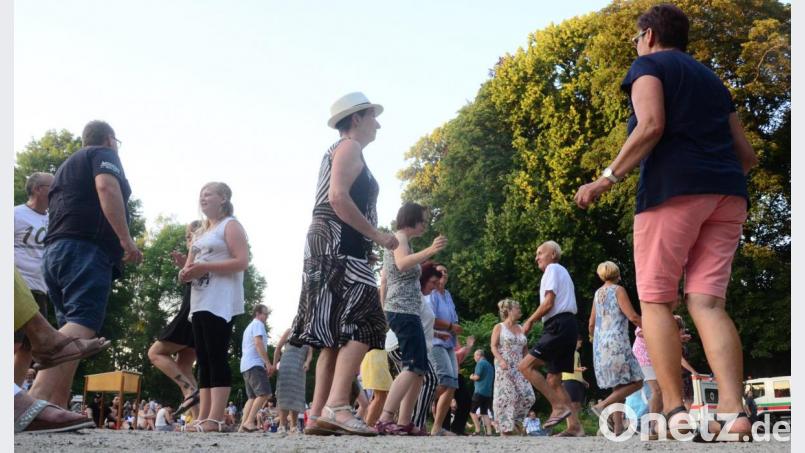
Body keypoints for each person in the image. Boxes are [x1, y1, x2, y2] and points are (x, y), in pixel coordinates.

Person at [574, 4, 758, 441]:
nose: (636, 46)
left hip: (671, 192)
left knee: (657, 302)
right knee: (708, 303)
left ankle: (674, 410)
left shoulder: (649, 65)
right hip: (728, 193)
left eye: (637, 38)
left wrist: (605, 179)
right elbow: (746, 156)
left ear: (650, 35)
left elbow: (651, 125)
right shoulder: (712, 81)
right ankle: (734, 413)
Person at [291, 92, 398, 437]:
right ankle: (338, 406)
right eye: (373, 116)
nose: (378, 123)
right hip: (340, 241)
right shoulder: (350, 147)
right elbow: (338, 197)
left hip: (327, 241)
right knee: (368, 321)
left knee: (333, 334)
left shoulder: (336, 150)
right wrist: (378, 237)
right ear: (356, 120)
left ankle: (319, 414)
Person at [30, 120, 142, 408]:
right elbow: (106, 187)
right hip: (86, 249)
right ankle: (31, 402)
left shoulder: (66, 168)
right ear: (109, 139)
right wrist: (126, 241)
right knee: (83, 323)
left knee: (71, 327)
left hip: (56, 252)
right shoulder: (103, 154)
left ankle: (54, 408)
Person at [180, 182, 249, 433]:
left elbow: (242, 261)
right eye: (201, 194)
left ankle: (216, 417)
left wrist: (205, 267)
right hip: (199, 301)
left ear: (223, 198)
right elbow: (190, 267)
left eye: (208, 194)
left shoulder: (230, 225)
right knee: (204, 359)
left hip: (220, 300)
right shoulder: (200, 233)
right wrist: (185, 272)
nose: (203, 198)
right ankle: (204, 416)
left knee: (217, 355)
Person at [375, 203, 447, 435]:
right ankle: (386, 418)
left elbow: (387, 277)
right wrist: (430, 251)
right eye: (423, 220)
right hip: (402, 309)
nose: (425, 224)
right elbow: (403, 263)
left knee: (420, 368)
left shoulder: (403, 241)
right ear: (412, 219)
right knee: (412, 365)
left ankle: (405, 421)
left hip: (405, 309)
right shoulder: (399, 238)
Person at [518, 241, 580, 431]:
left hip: (558, 325)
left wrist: (529, 321)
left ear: (553, 254)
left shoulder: (552, 268)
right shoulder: (561, 272)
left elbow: (548, 303)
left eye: (540, 253)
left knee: (525, 366)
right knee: (554, 380)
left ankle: (558, 406)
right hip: (568, 325)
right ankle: (575, 427)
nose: (536, 257)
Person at [149, 221, 202, 420]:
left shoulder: (200, 254)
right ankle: (197, 419)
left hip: (190, 314)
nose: (188, 241)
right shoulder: (203, 257)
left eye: (190, 237)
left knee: (155, 353)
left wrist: (186, 267)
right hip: (198, 315)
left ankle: (188, 390)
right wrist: (184, 268)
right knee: (184, 367)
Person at [588, 261, 643, 435]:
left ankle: (618, 428)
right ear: (617, 274)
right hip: (617, 343)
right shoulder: (618, 290)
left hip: (600, 345)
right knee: (637, 381)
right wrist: (649, 328)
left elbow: (591, 323)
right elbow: (633, 316)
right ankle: (602, 405)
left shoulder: (598, 294)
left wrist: (593, 338)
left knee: (617, 387)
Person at [14, 171, 55, 385]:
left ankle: (13, 398)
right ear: (38, 189)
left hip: (41, 288)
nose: (57, 190)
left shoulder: (53, 219)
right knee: (13, 344)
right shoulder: (15, 214)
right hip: (19, 287)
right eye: (52, 186)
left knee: (28, 349)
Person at [491, 299, 536, 436]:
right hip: (504, 365)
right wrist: (501, 360)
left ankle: (516, 421)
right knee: (506, 397)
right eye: (517, 308)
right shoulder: (499, 327)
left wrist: (530, 364)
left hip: (520, 366)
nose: (520, 310)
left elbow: (525, 350)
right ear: (509, 311)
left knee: (528, 395)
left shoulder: (521, 328)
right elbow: (493, 346)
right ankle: (505, 429)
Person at [428, 263, 464, 436]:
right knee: (444, 380)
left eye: (446, 271)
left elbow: (453, 318)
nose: (444, 274)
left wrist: (455, 330)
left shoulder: (447, 294)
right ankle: (417, 404)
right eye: (440, 271)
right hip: (435, 341)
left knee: (452, 384)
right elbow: (431, 319)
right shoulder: (432, 294)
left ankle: (437, 428)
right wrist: (451, 326)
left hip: (449, 343)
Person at [238, 304, 274, 432]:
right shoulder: (258, 324)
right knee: (265, 393)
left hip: (245, 365)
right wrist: (268, 363)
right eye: (265, 313)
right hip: (254, 364)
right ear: (258, 314)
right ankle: (249, 422)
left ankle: (242, 426)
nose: (267, 316)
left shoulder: (249, 327)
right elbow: (258, 343)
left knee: (252, 397)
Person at [274, 327, 313, 433]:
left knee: (296, 395)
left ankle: (294, 426)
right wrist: (274, 365)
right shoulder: (289, 331)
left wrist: (307, 362)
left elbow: (310, 353)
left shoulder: (309, 334)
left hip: (299, 368)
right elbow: (278, 348)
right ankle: (282, 425)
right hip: (286, 367)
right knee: (284, 395)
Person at [560, 335, 589, 437]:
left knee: (577, 405)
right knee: (571, 405)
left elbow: (575, 368)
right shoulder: (568, 351)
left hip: (576, 380)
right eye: (579, 342)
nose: (580, 344)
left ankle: (575, 426)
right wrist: (579, 369)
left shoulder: (576, 353)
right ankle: (571, 427)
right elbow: (567, 366)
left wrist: (583, 380)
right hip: (568, 379)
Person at [469, 349, 495, 436]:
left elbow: (477, 377)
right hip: (488, 393)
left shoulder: (480, 363)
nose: (474, 358)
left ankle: (477, 430)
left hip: (479, 391)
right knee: (484, 412)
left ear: (478, 355)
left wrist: (471, 377)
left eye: (474, 356)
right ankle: (489, 432)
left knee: (472, 411)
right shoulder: (490, 365)